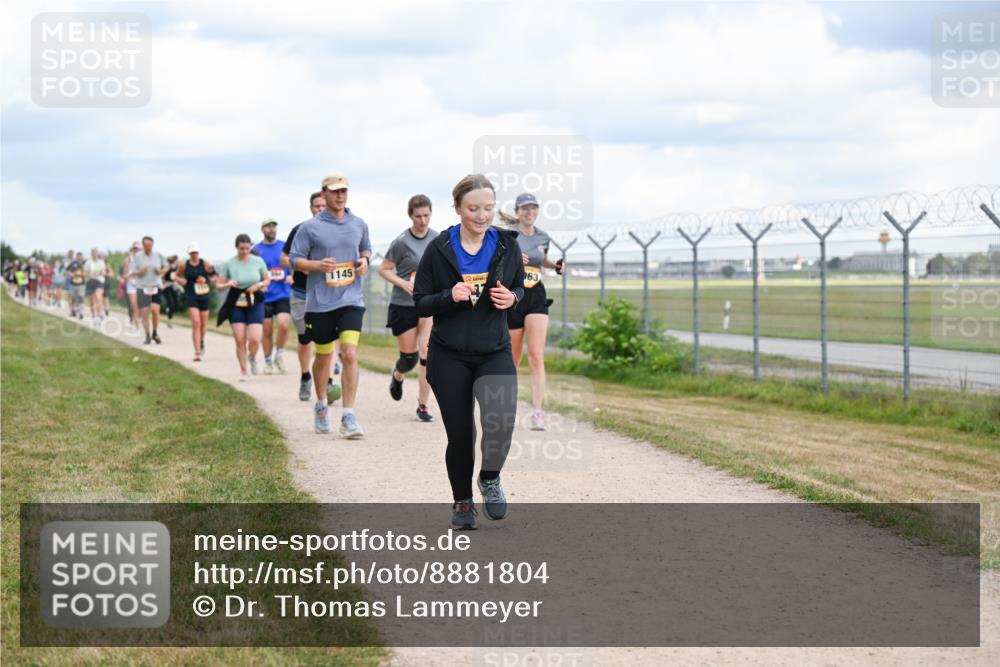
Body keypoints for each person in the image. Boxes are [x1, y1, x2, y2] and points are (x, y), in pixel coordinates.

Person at [413, 174, 524, 530]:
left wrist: (514, 298)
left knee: (501, 422)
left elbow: (520, 286)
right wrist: (450, 296)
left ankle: (489, 477)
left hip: (494, 350)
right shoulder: (439, 248)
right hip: (450, 354)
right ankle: (462, 501)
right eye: (473, 208)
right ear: (458, 208)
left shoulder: (507, 245)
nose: (482, 215)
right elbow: (421, 302)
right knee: (461, 434)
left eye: (488, 208)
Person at [288, 173, 371, 437]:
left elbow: (365, 250)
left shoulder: (358, 224)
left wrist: (364, 262)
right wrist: (316, 266)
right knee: (323, 357)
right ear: (323, 193)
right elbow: (295, 259)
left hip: (351, 300)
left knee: (349, 353)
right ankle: (321, 403)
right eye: (334, 191)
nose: (340, 195)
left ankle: (348, 415)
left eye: (344, 191)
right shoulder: (310, 227)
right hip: (320, 303)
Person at [499, 193, 564, 431]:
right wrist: (514, 259)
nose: (529, 212)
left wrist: (555, 265)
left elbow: (542, 259)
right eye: (525, 208)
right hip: (514, 295)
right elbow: (498, 261)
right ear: (517, 212)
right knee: (513, 358)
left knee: (536, 355)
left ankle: (538, 412)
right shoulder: (509, 235)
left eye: (533, 208)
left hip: (535, 294)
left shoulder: (543, 236)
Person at [380, 194, 438, 422]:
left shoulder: (437, 239)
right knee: (409, 359)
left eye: (426, 215)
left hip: (428, 303)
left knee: (427, 352)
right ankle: (398, 373)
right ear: (410, 216)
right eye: (418, 216)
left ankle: (423, 405)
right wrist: (403, 282)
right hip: (403, 305)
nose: (423, 220)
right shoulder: (401, 242)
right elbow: (384, 269)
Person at [216, 234, 270, 381]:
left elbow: (266, 280)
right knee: (240, 339)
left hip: (254, 300)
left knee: (254, 339)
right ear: (236, 247)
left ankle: (252, 357)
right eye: (242, 248)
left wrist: (258, 285)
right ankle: (244, 370)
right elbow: (219, 285)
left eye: (247, 248)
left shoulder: (258, 261)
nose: (245, 251)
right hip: (236, 302)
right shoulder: (229, 264)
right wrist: (227, 284)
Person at [254, 219, 293, 374]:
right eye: (268, 227)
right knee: (268, 330)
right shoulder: (256, 249)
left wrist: (292, 276)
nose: (271, 229)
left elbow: (293, 263)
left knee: (283, 325)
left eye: (274, 226)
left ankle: (280, 355)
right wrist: (259, 283)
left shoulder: (284, 246)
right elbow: (252, 269)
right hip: (265, 296)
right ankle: (268, 360)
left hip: (282, 293)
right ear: (262, 229)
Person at [175, 243, 215, 361]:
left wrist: (205, 279)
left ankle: (201, 340)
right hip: (191, 295)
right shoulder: (184, 265)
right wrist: (180, 280)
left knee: (203, 325)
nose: (194, 255)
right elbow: (175, 275)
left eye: (196, 252)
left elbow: (214, 277)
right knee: (196, 322)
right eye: (192, 253)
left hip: (204, 295)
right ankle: (197, 352)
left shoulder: (206, 264)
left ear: (199, 253)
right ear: (189, 254)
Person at [128, 236, 167, 344]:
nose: (148, 248)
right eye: (146, 246)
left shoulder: (158, 255)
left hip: (156, 285)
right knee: (144, 312)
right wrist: (139, 272)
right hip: (142, 286)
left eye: (150, 246)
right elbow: (132, 272)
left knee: (155, 310)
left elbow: (167, 266)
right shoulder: (137, 257)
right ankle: (147, 335)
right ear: (143, 245)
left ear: (152, 245)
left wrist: (161, 271)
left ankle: (155, 332)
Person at [84, 247, 107, 324]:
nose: (94, 254)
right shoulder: (88, 262)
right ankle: (94, 316)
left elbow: (103, 273)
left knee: (98, 296)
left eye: (96, 253)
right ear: (91, 254)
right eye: (93, 253)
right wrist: (91, 274)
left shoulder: (101, 262)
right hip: (90, 282)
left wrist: (99, 273)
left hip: (99, 282)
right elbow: (85, 273)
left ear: (98, 254)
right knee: (92, 301)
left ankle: (100, 313)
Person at [123, 242, 141, 328]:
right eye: (135, 249)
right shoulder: (127, 260)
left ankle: (135, 320)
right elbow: (125, 276)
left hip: (141, 285)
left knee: (140, 307)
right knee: (134, 306)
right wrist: (131, 274)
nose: (137, 251)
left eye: (139, 249)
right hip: (131, 285)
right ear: (133, 249)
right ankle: (136, 326)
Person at [161, 255, 181, 328]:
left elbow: (175, 278)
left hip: (173, 287)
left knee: (175, 304)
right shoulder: (168, 267)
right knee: (171, 303)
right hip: (166, 288)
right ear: (174, 260)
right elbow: (161, 275)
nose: (178, 262)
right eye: (177, 260)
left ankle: (168, 310)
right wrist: (163, 283)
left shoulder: (176, 268)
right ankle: (169, 321)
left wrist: (178, 285)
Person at [66, 252, 86, 318]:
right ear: (76, 257)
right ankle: (72, 311)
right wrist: (70, 273)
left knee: (81, 298)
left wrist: (80, 274)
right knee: (72, 298)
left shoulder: (84, 264)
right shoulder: (73, 263)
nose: (79, 258)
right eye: (78, 256)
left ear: (82, 257)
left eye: (80, 256)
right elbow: (67, 270)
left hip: (81, 284)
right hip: (73, 284)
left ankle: (81, 313)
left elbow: (87, 272)